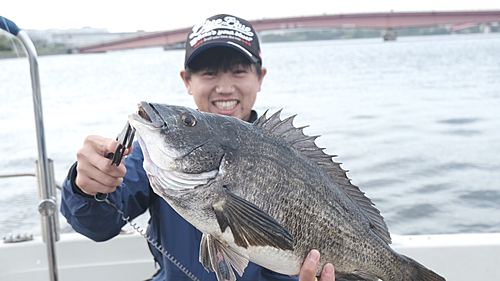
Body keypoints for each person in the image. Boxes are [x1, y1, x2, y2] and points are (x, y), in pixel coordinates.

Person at [61, 14, 335, 281]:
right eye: (209, 73)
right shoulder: (156, 155)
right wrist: (85, 187)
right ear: (187, 81)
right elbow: (99, 225)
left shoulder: (289, 156)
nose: (225, 87)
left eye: (238, 71)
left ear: (260, 77)